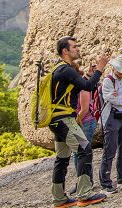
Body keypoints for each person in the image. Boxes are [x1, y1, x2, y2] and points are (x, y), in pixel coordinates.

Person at [48, 36, 108, 207]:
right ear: (65, 51)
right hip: (65, 119)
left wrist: (90, 75)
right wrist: (100, 70)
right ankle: (84, 194)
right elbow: (89, 87)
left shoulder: (58, 69)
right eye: (74, 47)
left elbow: (81, 85)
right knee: (84, 149)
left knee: (62, 157)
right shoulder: (66, 70)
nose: (77, 49)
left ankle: (59, 199)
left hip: (56, 120)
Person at [99, 57, 122, 192]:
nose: (120, 73)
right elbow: (111, 98)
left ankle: (121, 175)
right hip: (111, 116)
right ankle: (106, 181)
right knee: (110, 148)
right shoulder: (108, 81)